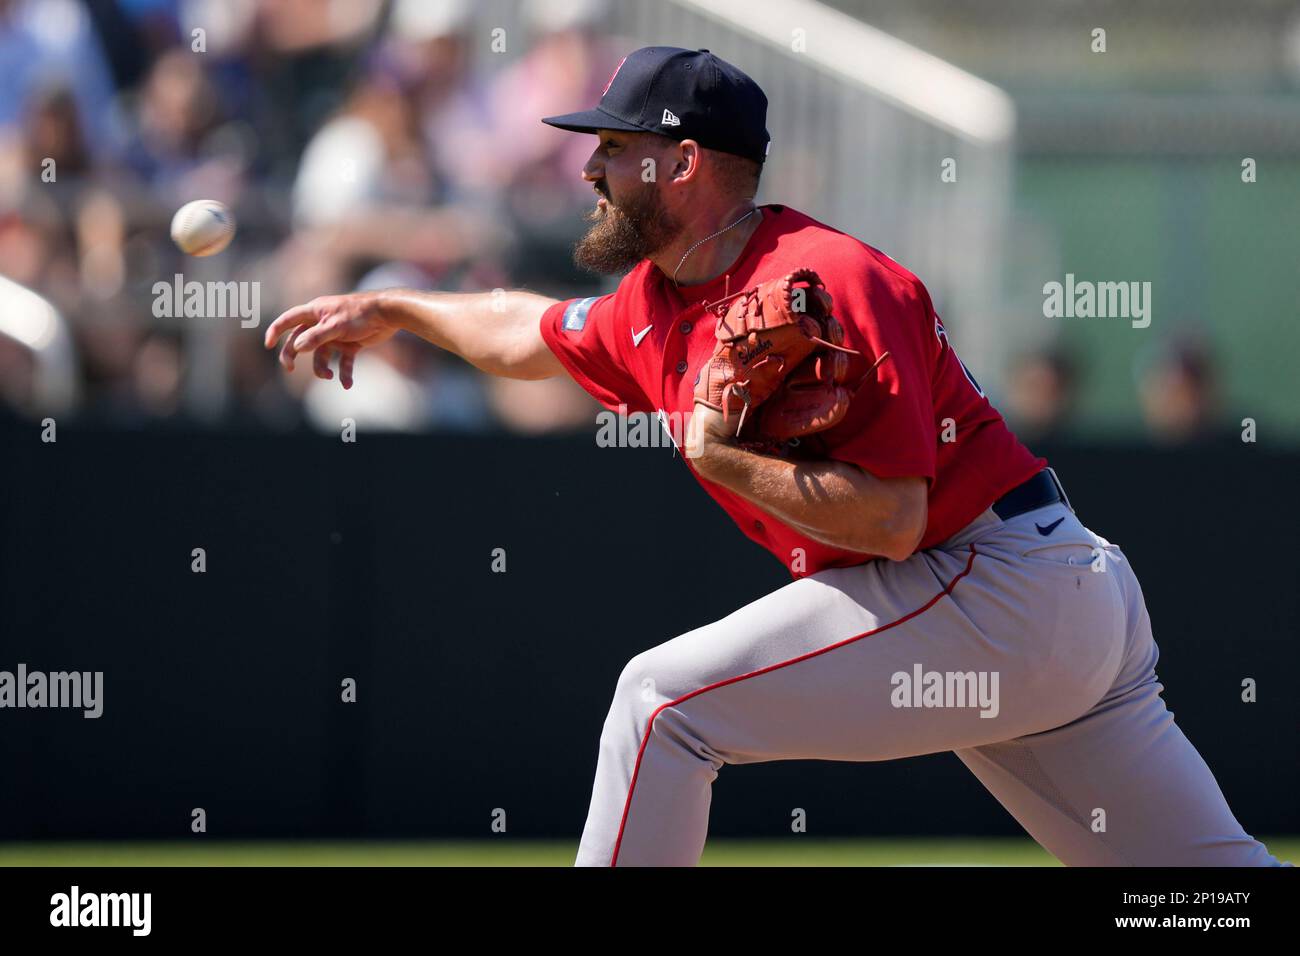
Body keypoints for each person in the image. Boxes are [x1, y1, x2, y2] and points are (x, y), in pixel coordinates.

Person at [264, 47, 1285, 868]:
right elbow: (524, 328)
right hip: (1042, 600)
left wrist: (724, 458)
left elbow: (890, 517)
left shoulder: (830, 276)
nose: (589, 171)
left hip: (991, 582)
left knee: (658, 705)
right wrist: (392, 306)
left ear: (683, 163)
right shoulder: (649, 304)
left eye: (613, 149)